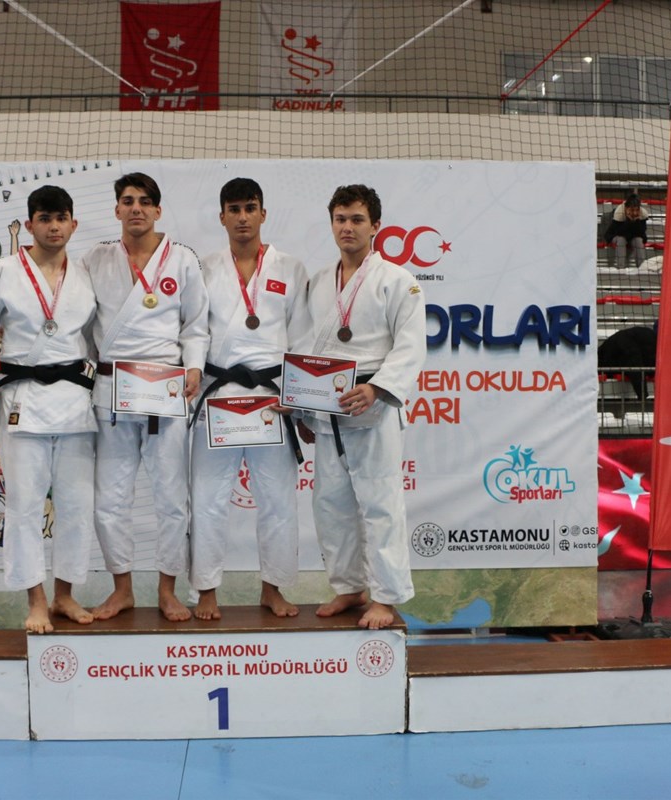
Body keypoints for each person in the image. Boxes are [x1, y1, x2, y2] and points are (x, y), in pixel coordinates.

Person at [0, 185, 99, 633]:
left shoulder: (86, 273)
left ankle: (65, 595)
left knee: (77, 504)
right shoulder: (0, 271)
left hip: (75, 401)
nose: (54, 227)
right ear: (31, 223)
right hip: (23, 399)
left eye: (61, 218)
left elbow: (101, 337)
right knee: (24, 505)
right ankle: (35, 600)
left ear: (73, 223)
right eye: (45, 218)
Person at [82, 172, 208, 622]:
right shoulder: (95, 259)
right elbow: (81, 323)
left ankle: (167, 590)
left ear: (157, 210)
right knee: (109, 500)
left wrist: (194, 366)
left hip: (165, 389)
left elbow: (196, 324)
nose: (136, 208)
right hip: (113, 390)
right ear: (117, 209)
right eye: (128, 200)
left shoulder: (183, 259)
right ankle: (122, 589)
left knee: (172, 498)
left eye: (144, 201)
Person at [302, 184, 426, 630]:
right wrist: (302, 406)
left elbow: (411, 346)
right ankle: (349, 587)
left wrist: (377, 388)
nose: (347, 228)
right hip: (326, 404)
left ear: (375, 226)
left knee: (380, 503)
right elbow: (305, 345)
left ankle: (386, 597)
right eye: (340, 219)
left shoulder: (398, 280)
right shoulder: (319, 282)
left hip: (372, 404)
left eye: (357, 219)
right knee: (330, 502)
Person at [190, 178, 311, 620]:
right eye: (234, 209)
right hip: (218, 396)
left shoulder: (290, 268)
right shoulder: (203, 269)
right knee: (207, 498)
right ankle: (206, 590)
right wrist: (193, 377)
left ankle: (272, 588)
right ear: (222, 216)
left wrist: (298, 399)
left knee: (277, 499)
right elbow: (194, 332)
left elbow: (302, 337)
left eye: (250, 208)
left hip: (272, 399)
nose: (243, 217)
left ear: (263, 213)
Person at [604, 193, 649, 268]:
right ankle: (620, 268)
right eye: (632, 210)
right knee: (621, 239)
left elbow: (641, 233)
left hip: (633, 237)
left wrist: (636, 221)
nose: (634, 213)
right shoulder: (619, 212)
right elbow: (618, 232)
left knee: (638, 240)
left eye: (636, 210)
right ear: (626, 208)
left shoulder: (642, 213)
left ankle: (641, 268)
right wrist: (629, 221)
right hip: (616, 236)